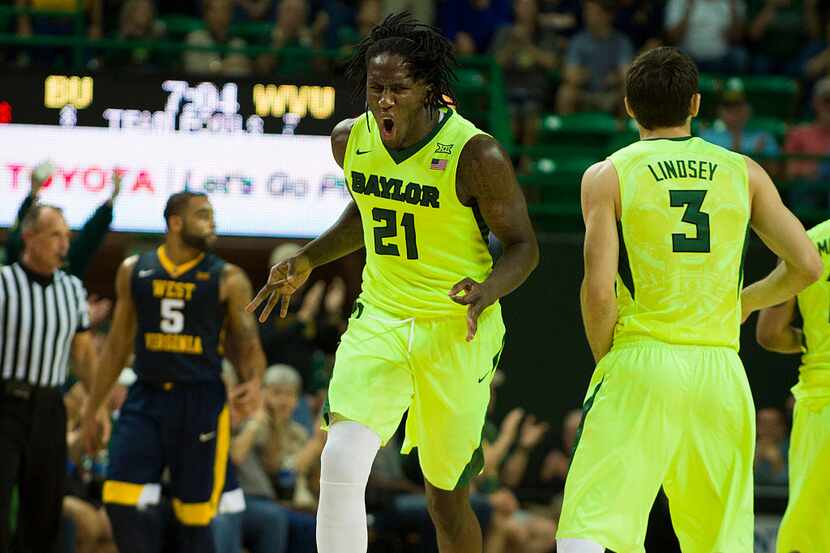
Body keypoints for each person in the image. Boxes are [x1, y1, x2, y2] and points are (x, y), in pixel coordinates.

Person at [247, 12, 539, 553]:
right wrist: (308, 260)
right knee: (340, 458)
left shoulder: (477, 155)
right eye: (375, 89)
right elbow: (365, 215)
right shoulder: (348, 140)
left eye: (397, 89)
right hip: (379, 316)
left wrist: (488, 289)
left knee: (445, 496)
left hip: (457, 328)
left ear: (430, 90)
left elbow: (525, 247)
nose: (383, 100)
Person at [556, 46, 822, 553]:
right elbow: (807, 264)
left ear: (629, 105)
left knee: (589, 525)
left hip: (643, 357)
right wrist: (747, 300)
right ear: (696, 104)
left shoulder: (608, 174)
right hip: (721, 369)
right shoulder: (743, 171)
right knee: (720, 541)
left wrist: (607, 361)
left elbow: (597, 286)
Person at [79, 191, 267, 553]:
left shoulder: (228, 278)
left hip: (200, 402)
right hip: (146, 396)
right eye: (202, 215)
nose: (212, 222)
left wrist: (255, 382)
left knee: (195, 517)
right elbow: (117, 345)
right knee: (118, 496)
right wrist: (92, 408)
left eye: (212, 215)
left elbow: (248, 345)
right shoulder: (134, 270)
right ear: (175, 222)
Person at [0, 204, 105, 552]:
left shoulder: (72, 289)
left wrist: (97, 404)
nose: (64, 244)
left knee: (44, 508)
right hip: (5, 403)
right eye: (55, 235)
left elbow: (84, 353)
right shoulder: (3, 283)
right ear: (29, 238)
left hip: (49, 406)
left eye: (66, 236)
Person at [756, 218, 830, 553]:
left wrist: (812, 342)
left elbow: (770, 335)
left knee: (811, 536)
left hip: (821, 403)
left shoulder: (806, 242)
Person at [556, 0, 633, 115]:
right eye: (587, 12)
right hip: (585, 93)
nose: (587, 16)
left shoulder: (621, 42)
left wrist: (615, 78)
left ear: (607, 16)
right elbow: (571, 75)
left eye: (593, 12)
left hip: (610, 94)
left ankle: (624, 132)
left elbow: (625, 75)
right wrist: (584, 76)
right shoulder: (578, 41)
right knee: (565, 93)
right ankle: (566, 132)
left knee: (627, 93)